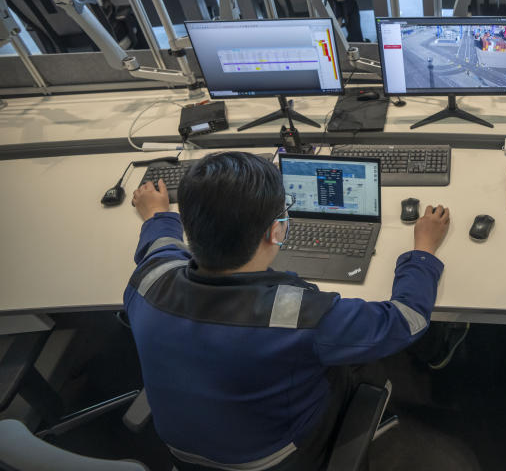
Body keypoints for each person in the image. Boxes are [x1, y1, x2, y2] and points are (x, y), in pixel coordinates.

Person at [125, 152, 450, 470]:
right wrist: (423, 249)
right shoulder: (299, 316)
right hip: (275, 459)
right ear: (276, 231)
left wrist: (158, 214)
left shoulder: (148, 280)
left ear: (189, 228)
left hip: (181, 454)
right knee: (356, 361)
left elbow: (157, 247)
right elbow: (407, 319)